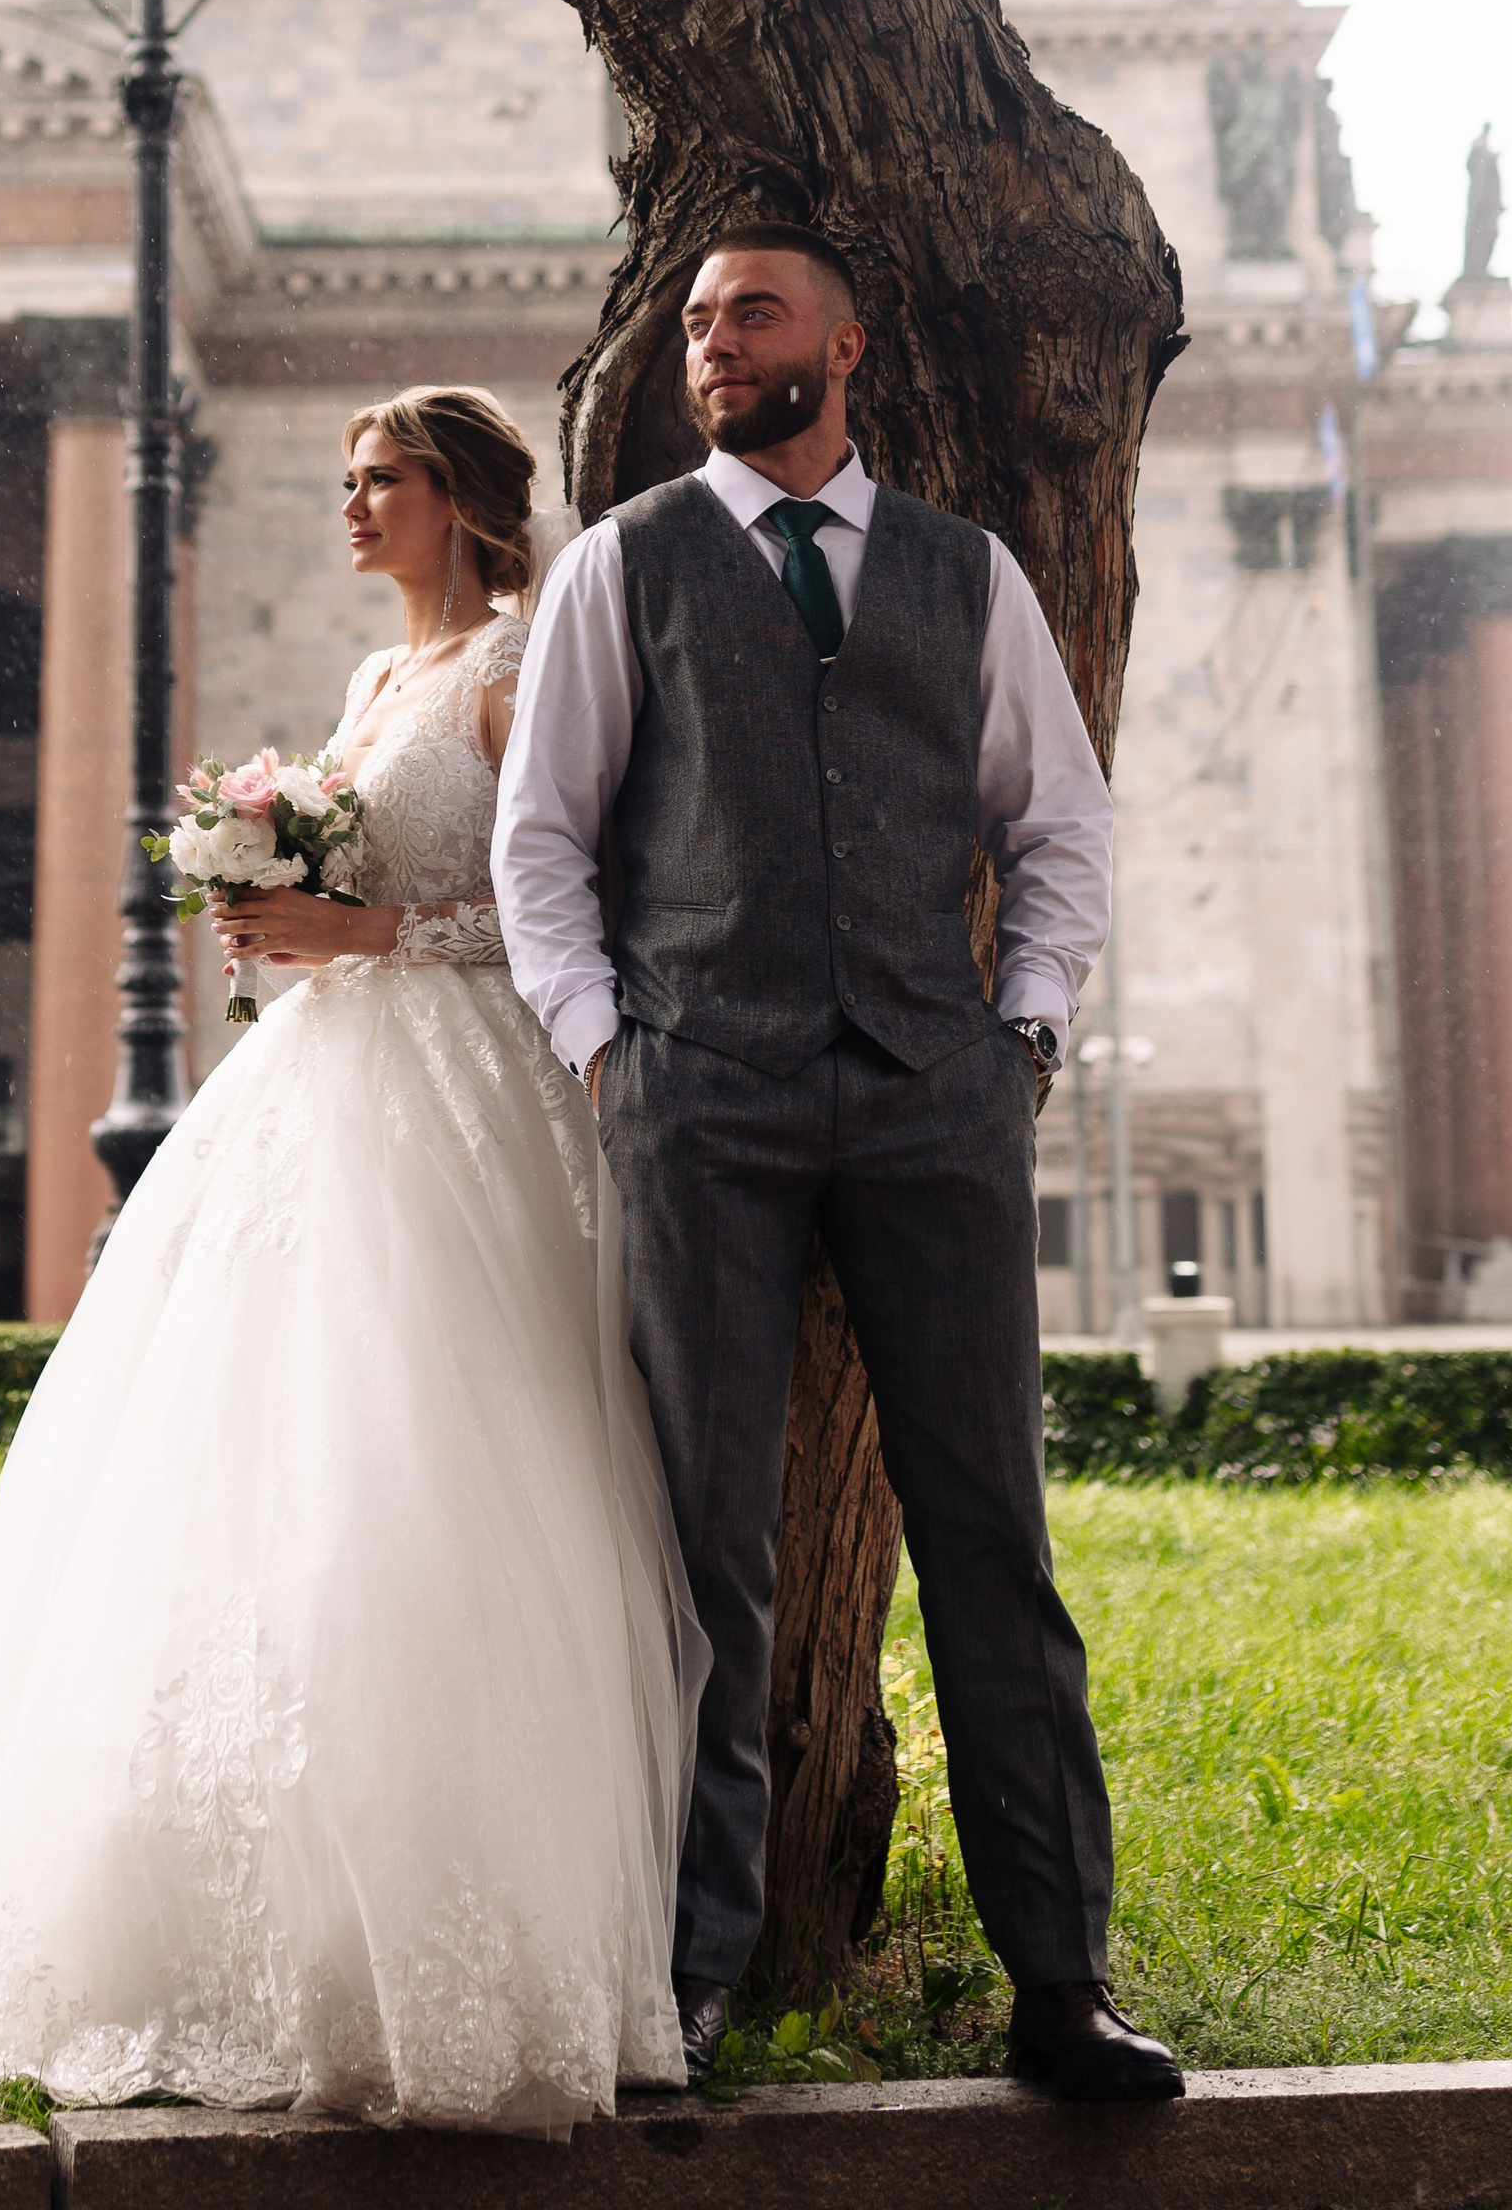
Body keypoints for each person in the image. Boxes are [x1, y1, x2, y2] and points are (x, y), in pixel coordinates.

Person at [0, 386, 703, 2135]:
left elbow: (578, 906)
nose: (356, 508)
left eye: (386, 484)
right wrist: (278, 916)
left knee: (440, 1476)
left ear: (466, 501)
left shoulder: (523, 668)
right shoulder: (375, 685)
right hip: (321, 1085)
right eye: (350, 482)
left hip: (465, 1100)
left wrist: (377, 927)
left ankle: (461, 1921)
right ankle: (227, 1899)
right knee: (251, 1473)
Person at [492, 226, 1182, 2106]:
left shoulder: (973, 579)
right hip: (694, 1091)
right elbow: (540, 841)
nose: (718, 347)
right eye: (702, 324)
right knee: (711, 1558)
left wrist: (1022, 1031)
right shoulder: (620, 568)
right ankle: (694, 1978)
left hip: (933, 1096)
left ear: (845, 345)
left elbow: (1061, 824)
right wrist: (603, 1047)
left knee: (995, 1547)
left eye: (754, 316)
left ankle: (1064, 1980)